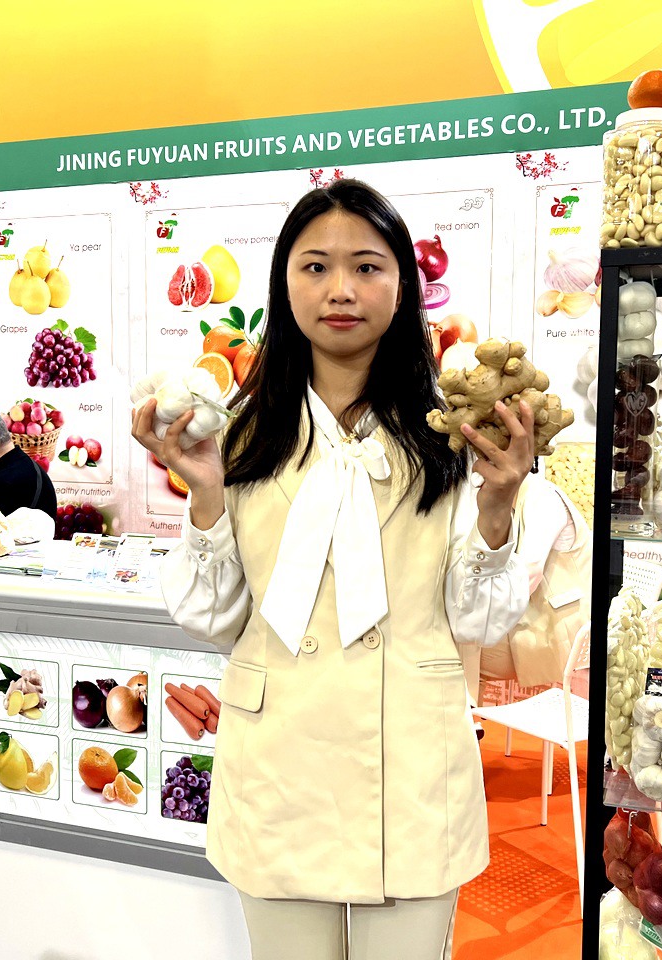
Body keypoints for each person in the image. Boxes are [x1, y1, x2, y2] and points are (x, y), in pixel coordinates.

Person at [132, 179, 535, 960]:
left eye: (367, 267)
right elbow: (211, 618)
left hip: (410, 771)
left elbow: (483, 620)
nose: (341, 289)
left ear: (402, 285)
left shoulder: (458, 437)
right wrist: (206, 493)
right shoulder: (239, 437)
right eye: (315, 266)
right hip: (278, 764)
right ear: (285, 284)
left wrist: (497, 508)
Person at [460, 474, 593, 705]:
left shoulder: (542, 498)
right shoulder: (508, 497)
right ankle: (466, 713)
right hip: (536, 621)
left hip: (561, 631)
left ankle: (464, 715)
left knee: (460, 640)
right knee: (458, 636)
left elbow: (528, 575)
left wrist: (476, 611)